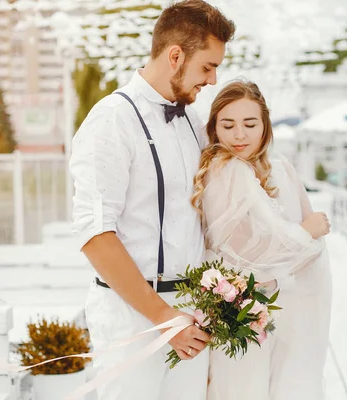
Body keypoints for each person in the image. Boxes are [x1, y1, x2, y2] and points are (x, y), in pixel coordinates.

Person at [69, 1, 235, 399]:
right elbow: (94, 233)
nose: (213, 80)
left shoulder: (194, 123)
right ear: (175, 56)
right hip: (132, 317)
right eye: (207, 67)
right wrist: (163, 317)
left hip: (194, 313)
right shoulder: (112, 119)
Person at [191, 81, 332, 399]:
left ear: (265, 125)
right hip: (242, 311)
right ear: (214, 127)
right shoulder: (224, 171)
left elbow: (309, 246)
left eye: (250, 124)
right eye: (228, 125)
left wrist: (303, 238)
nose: (239, 135)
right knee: (244, 388)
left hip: (288, 307)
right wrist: (304, 233)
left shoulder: (281, 168)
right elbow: (245, 254)